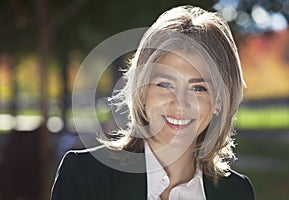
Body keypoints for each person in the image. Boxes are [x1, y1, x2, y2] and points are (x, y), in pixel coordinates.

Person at [51, 5, 255, 200]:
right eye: (165, 84)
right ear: (142, 91)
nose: (180, 104)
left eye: (198, 88)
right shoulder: (85, 175)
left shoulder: (237, 192)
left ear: (219, 101)